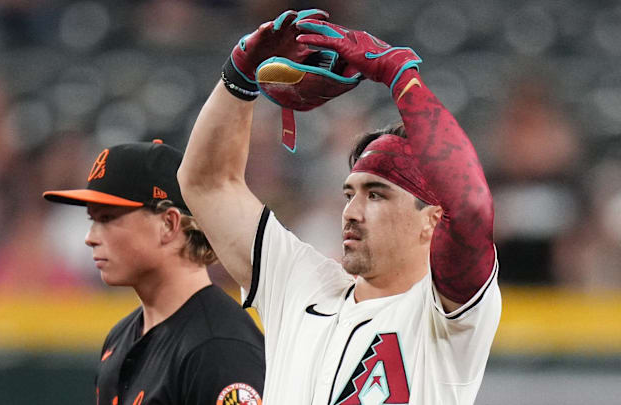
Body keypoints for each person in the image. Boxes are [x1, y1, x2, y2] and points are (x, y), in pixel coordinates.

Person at [178, 10, 501, 405]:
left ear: (432, 219)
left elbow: (470, 204)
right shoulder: (300, 286)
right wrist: (239, 75)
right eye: (350, 194)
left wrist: (401, 76)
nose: (351, 211)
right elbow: (206, 183)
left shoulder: (447, 319)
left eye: (377, 194)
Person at [43, 140, 265, 405]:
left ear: (169, 224)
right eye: (93, 220)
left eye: (107, 219)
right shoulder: (121, 336)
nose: (90, 238)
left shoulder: (218, 348)